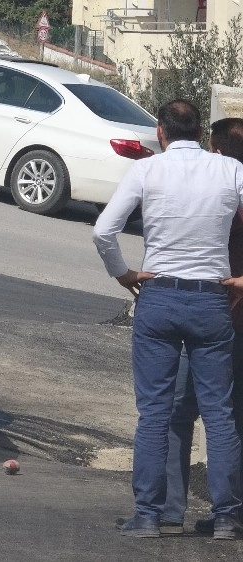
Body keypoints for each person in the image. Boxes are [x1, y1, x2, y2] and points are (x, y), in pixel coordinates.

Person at [93, 99, 243, 539]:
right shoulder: (231, 172)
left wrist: (124, 274)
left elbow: (103, 230)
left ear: (161, 132)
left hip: (158, 296)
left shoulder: (146, 171)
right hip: (212, 300)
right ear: (200, 133)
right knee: (219, 414)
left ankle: (149, 515)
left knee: (155, 413)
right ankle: (228, 517)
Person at [160, 117, 243, 534]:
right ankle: (231, 515)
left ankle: (172, 510)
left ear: (217, 151)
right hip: (226, 321)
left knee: (180, 412)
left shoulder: (224, 191)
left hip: (213, 320)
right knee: (230, 416)